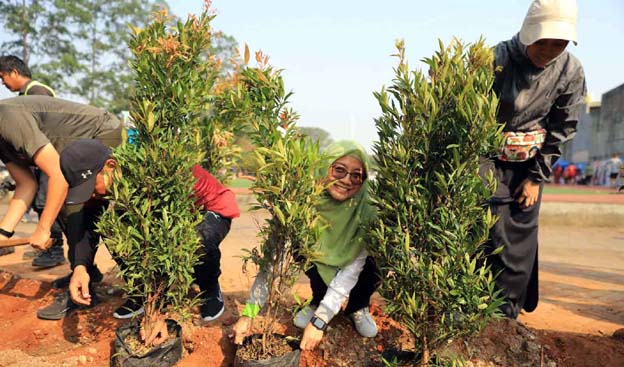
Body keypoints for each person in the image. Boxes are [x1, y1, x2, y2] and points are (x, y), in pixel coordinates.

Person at [61, 139, 240, 326]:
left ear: (111, 166)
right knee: (110, 225)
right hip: (169, 215)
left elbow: (169, 219)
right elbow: (88, 224)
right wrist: (80, 266)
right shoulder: (110, 182)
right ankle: (143, 291)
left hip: (209, 208)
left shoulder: (153, 170)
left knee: (197, 240)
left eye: (90, 187)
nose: (90, 195)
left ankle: (209, 288)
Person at [483, 0, 586, 319]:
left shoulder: (570, 70)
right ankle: (471, 303)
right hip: (487, 158)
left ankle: (507, 310)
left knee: (518, 236)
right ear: (529, 32)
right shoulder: (494, 59)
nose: (550, 50)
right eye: (543, 41)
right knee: (483, 227)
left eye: (560, 43)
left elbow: (564, 125)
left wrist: (535, 177)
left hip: (530, 163)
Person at [232, 141, 380, 351]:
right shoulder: (301, 203)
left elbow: (351, 271)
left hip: (353, 271)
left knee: (377, 259)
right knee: (300, 249)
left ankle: (357, 306)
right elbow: (274, 261)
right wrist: (249, 313)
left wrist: (320, 321)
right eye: (339, 170)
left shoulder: (367, 209)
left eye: (356, 175)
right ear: (325, 167)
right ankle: (317, 300)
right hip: (320, 265)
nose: (347, 180)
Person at [0, 96, 123, 319]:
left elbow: (58, 176)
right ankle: (86, 270)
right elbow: (26, 185)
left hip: (101, 134)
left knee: (75, 208)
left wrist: (43, 227)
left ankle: (82, 285)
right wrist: (2, 235)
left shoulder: (5, 117)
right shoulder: (2, 140)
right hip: (72, 151)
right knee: (61, 206)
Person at [0, 55, 60, 260]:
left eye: (3, 77)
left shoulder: (37, 92)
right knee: (39, 201)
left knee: (45, 202)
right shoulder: (26, 95)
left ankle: (54, 249)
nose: (3, 83)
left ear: (14, 72)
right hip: (40, 157)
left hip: (49, 157)